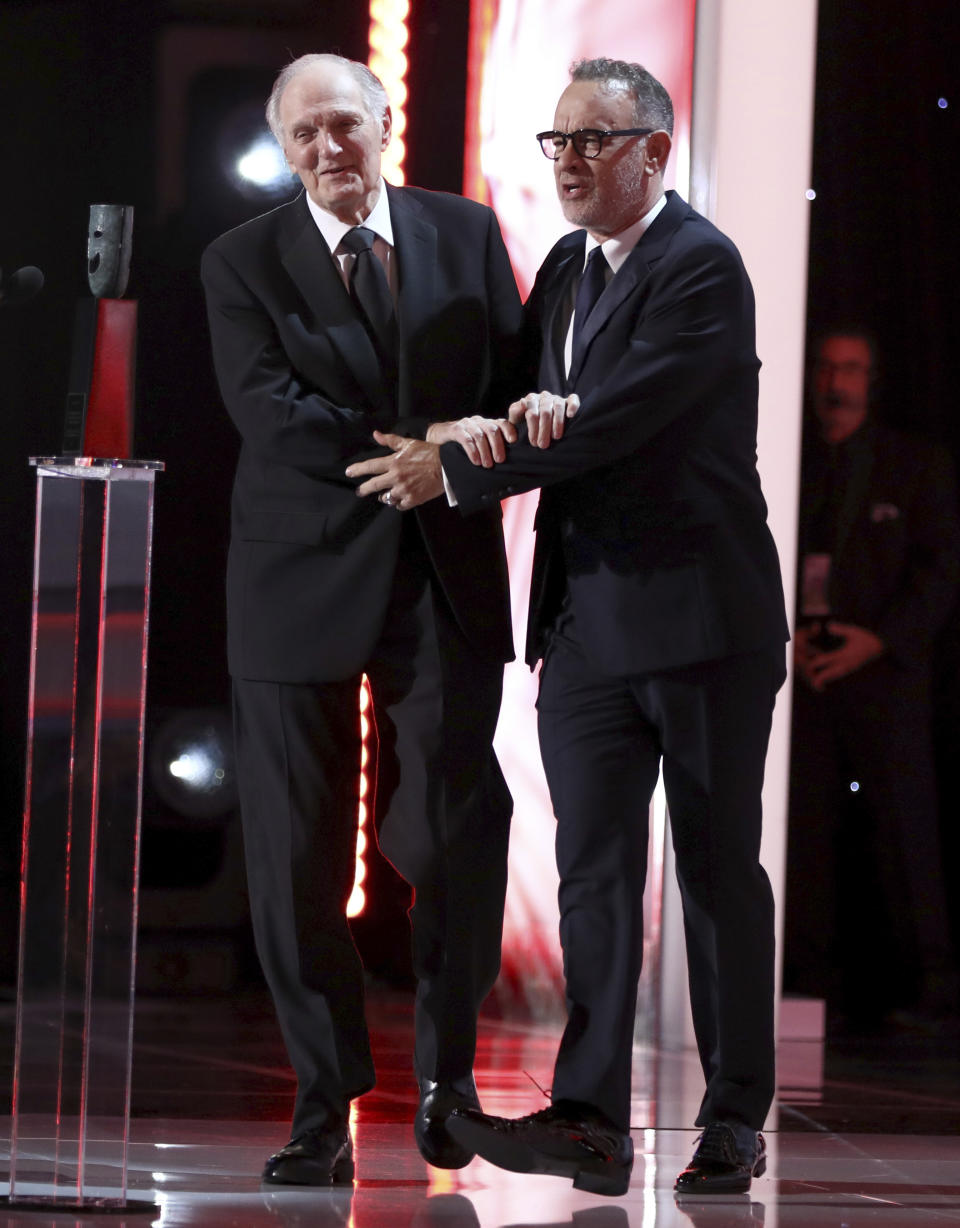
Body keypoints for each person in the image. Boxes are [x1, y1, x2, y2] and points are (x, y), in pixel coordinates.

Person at [347, 57, 788, 1197]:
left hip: (700, 621)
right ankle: (591, 1117)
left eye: (598, 139)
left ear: (656, 152)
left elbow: (617, 421)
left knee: (714, 868)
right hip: (585, 622)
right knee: (593, 871)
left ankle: (734, 1114)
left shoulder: (702, 267)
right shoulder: (561, 267)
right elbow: (523, 404)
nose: (573, 162)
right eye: (560, 142)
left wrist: (454, 470)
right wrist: (471, 424)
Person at [200, 52, 526, 1185]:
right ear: (284, 151)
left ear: (384, 120)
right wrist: (416, 453)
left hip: (441, 571)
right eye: (305, 137)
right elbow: (265, 407)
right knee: (293, 853)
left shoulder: (468, 233)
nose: (329, 150)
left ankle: (448, 1084)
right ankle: (321, 1102)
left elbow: (515, 380)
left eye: (345, 125)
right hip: (296, 577)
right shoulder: (239, 260)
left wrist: (469, 458)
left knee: (451, 829)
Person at [784, 328, 959, 1024]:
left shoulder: (914, 464)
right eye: (827, 366)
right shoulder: (791, 457)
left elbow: (940, 571)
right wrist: (784, 635)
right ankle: (805, 979)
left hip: (883, 673)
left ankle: (931, 987)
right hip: (804, 668)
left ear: (873, 377)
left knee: (904, 830)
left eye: (851, 367)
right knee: (805, 830)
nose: (837, 380)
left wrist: (880, 641)